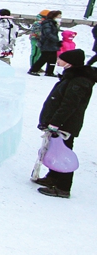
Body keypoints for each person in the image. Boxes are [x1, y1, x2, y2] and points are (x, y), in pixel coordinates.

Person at [35, 48, 92, 199]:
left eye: (61, 58)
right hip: (60, 123)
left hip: (65, 125)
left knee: (64, 152)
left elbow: (69, 105)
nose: (57, 60)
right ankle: (53, 177)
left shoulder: (78, 81)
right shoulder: (71, 77)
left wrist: (56, 123)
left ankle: (63, 187)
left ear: (70, 63)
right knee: (55, 149)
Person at [30, 10, 63, 77]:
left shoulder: (54, 23)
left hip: (52, 44)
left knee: (53, 59)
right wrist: (56, 40)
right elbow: (48, 33)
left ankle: (50, 71)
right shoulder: (47, 23)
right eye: (58, 16)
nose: (59, 18)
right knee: (44, 58)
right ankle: (34, 69)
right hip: (47, 43)